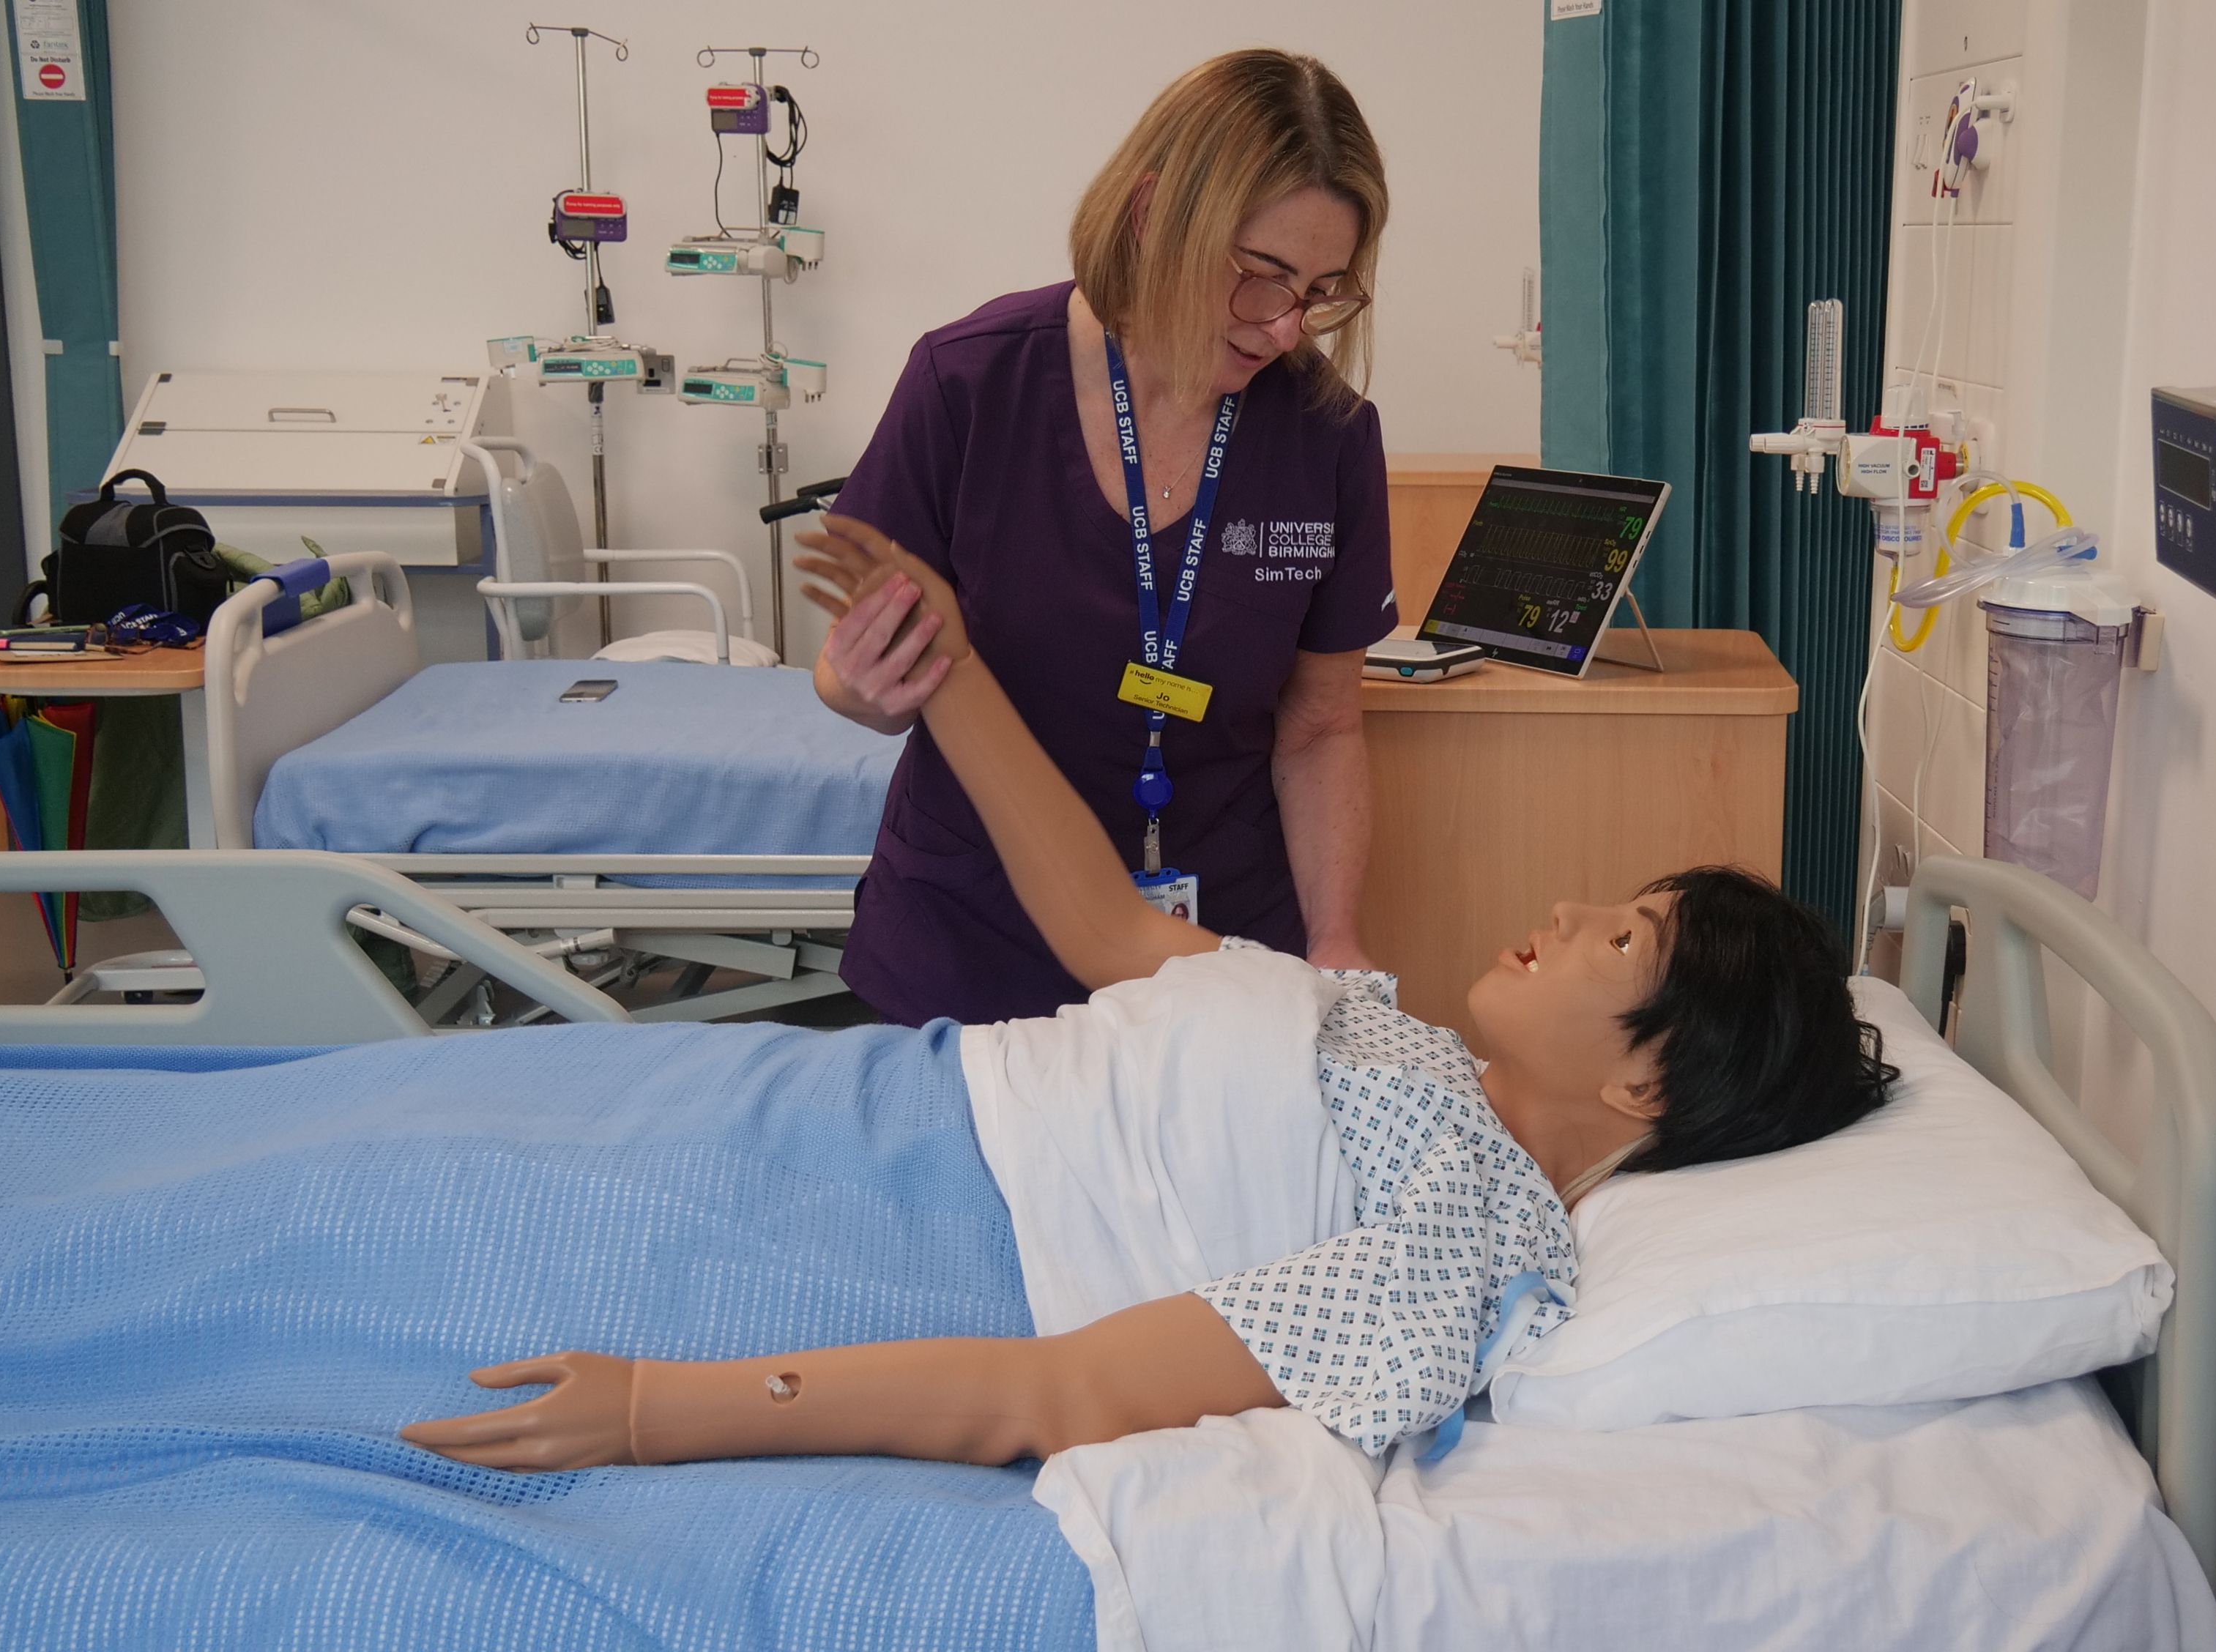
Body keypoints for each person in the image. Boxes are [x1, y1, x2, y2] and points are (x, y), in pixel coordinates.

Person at [400, 521, 1897, 1472]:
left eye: (1623, 941)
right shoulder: (1396, 1037)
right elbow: (1105, 927)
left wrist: (656, 1413)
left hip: (915, 1213)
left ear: (1648, 1082)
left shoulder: (1466, 1247)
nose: (1566, 914)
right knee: (411, 1113)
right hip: (863, 1093)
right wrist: (951, 665)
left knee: (395, 1222)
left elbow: (1057, 1394)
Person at [806, 49, 1399, 1025]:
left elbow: (1322, 724)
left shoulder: (1325, 435)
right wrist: (866, 689)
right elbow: (846, 671)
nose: (1286, 329)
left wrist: (1335, 939)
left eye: (1322, 291)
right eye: (1262, 277)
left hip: (1218, 960)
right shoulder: (969, 385)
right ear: (1153, 214)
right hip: (972, 946)